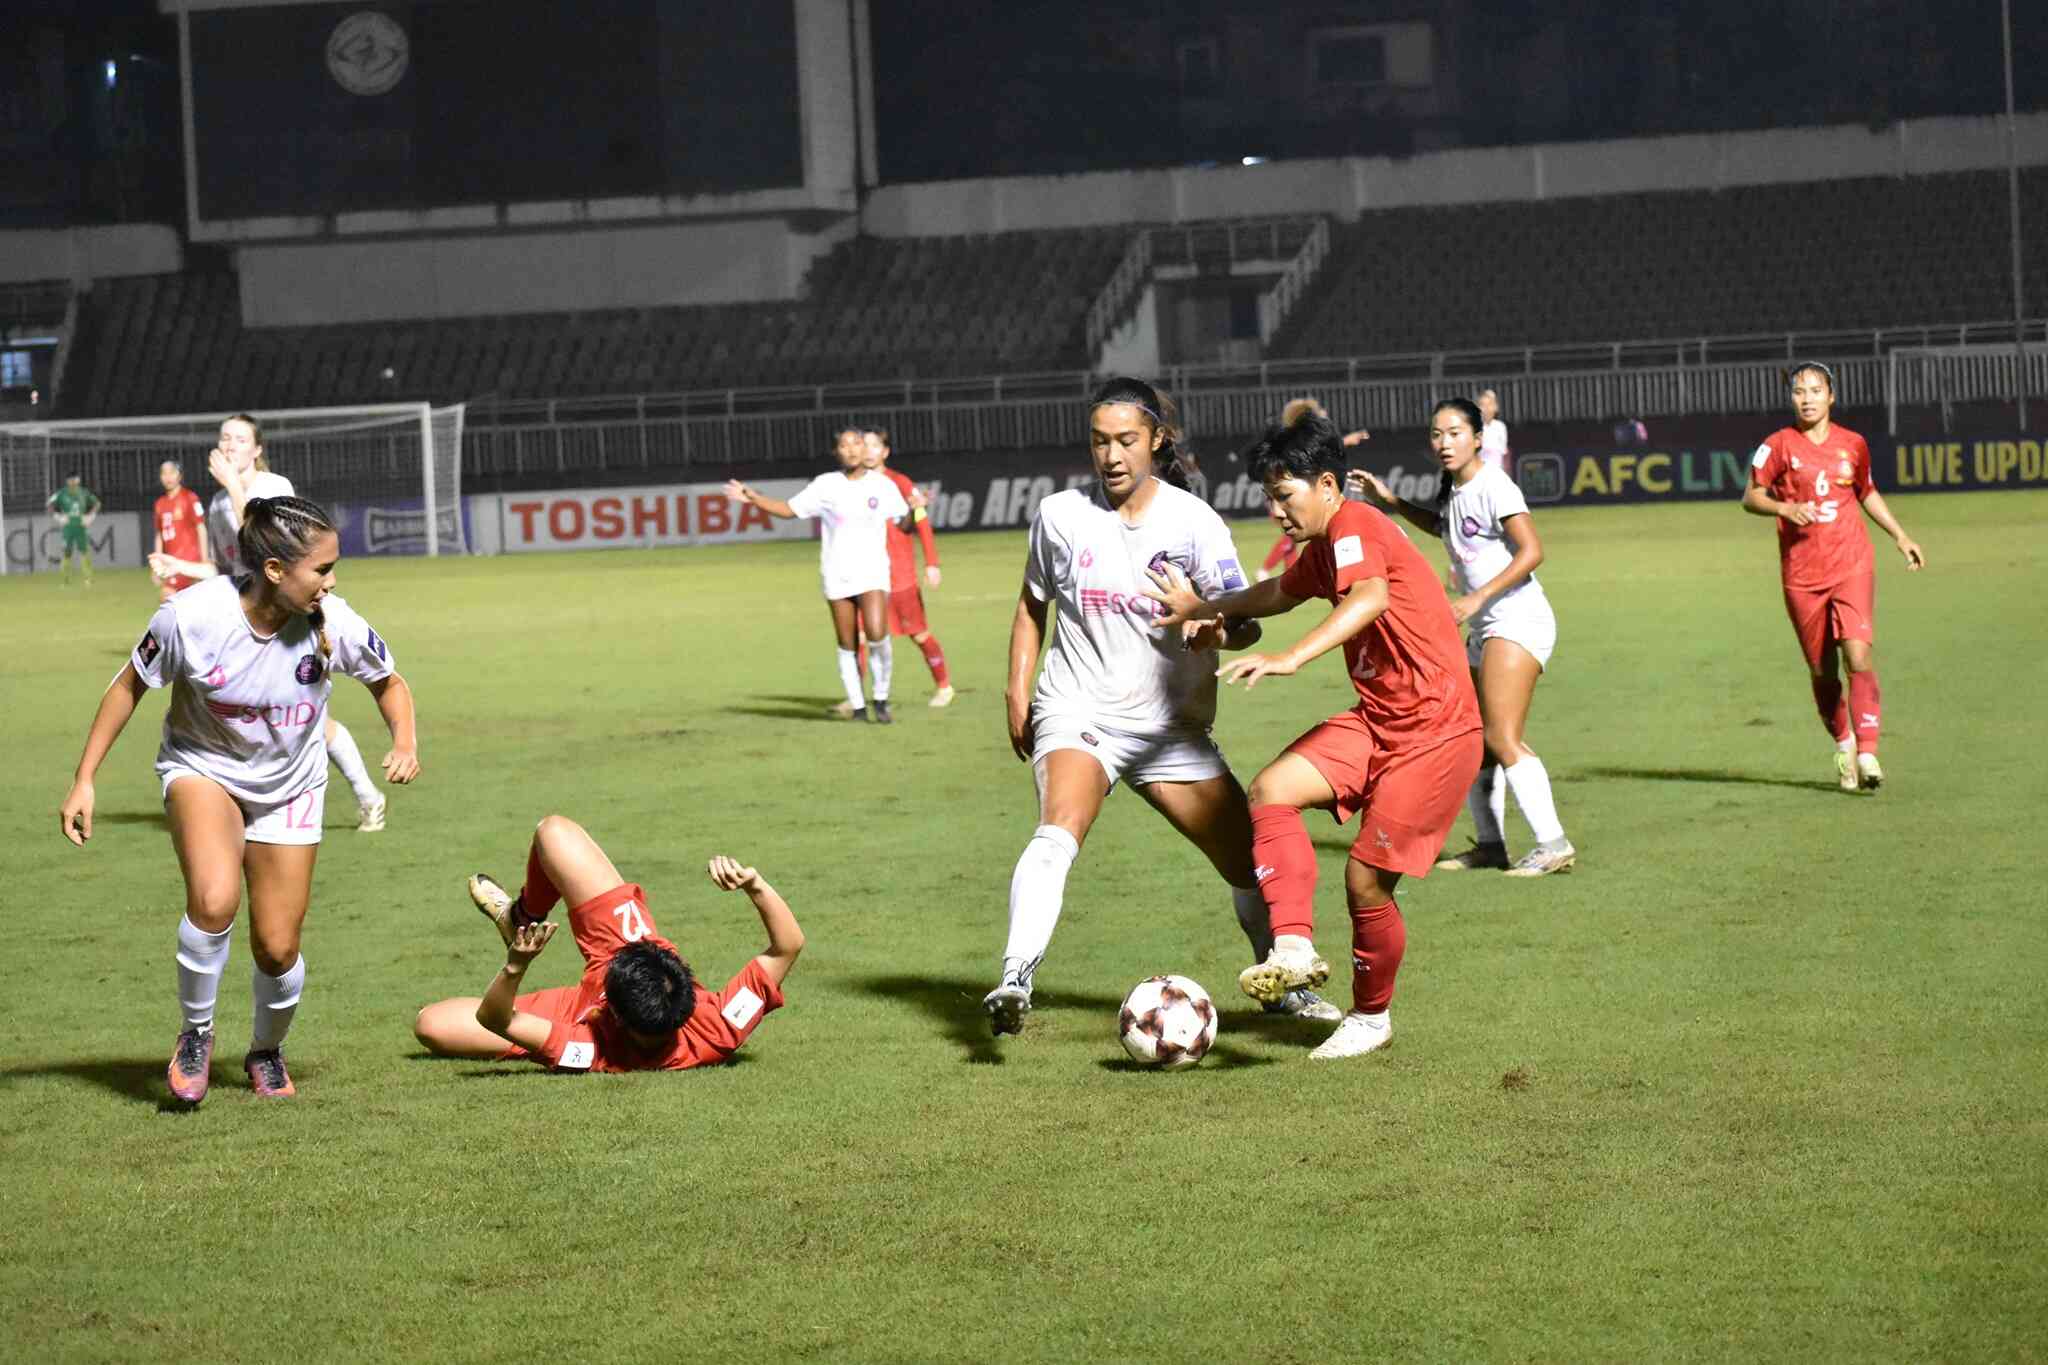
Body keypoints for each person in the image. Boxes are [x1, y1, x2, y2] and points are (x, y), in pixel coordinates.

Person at [987, 375, 1339, 1036]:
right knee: (1060, 824)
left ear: (1155, 441)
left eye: (1126, 440)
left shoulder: (1193, 522)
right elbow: (1033, 605)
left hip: (1171, 727)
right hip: (1078, 710)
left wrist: (1214, 625)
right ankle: (1015, 977)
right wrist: (1016, 688)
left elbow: (1245, 621)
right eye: (1099, 441)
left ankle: (1281, 986)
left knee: (1245, 860)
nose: (1112, 455)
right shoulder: (1060, 515)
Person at [58, 496, 420, 1105]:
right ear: (275, 570)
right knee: (215, 898)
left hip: (292, 787)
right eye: (322, 570)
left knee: (278, 947)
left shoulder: (333, 622)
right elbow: (128, 687)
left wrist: (404, 740)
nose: (332, 582)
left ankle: (265, 1051)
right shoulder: (191, 618)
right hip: (204, 770)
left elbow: (390, 682)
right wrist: (85, 778)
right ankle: (195, 1035)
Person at [1145, 407, 1483, 1060]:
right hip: (1382, 721)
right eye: (1269, 496)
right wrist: (1203, 607)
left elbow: (1371, 598)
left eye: (1283, 494)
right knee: (1271, 789)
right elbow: (1276, 590)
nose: (1276, 509)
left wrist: (1292, 657)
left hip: (1438, 732)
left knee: (1365, 881)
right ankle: (1293, 946)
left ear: (1327, 484)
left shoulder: (1354, 522)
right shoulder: (1325, 545)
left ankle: (1371, 1016)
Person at [1350, 399, 1574, 875]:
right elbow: (1446, 528)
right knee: (1472, 736)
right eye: (1437, 434)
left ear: (1478, 438)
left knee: (1501, 735)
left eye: (1454, 433)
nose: (1444, 442)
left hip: (1517, 619)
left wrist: (1477, 599)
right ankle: (1490, 846)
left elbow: (1533, 551)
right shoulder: (1455, 487)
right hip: (1489, 626)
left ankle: (1553, 843)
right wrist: (1391, 504)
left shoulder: (1495, 483)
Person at [410, 816, 802, 1072]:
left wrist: (516, 965)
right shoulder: (719, 1027)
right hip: (629, 945)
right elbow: (787, 946)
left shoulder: (588, 1047)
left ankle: (518, 924)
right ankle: (522, 917)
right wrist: (755, 884)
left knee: (431, 1024)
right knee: (554, 834)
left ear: (610, 1010)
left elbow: (496, 1020)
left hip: (573, 1011)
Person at [151, 414, 391, 831]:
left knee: (306, 719)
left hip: (293, 620)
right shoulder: (219, 503)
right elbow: (227, 570)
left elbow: (272, 543)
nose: (230, 445)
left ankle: (366, 796)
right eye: (225, 437)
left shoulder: (272, 487)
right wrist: (178, 564)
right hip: (247, 625)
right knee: (287, 721)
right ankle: (356, 797)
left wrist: (231, 483)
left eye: (240, 439)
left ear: (257, 449)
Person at [1742, 361, 1924, 791]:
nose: (1806, 398)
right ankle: (1843, 744)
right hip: (1802, 574)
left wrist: (1900, 535)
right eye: (1799, 391)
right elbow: (1751, 496)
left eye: (1815, 390)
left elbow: (1867, 492)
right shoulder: (1776, 445)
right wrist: (1784, 508)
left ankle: (1868, 752)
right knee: (1823, 671)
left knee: (1857, 656)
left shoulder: (1854, 444)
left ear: (1831, 396)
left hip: (1852, 563)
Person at [725, 429, 914, 723]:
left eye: (856, 443)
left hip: (873, 572)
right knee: (847, 642)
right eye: (844, 445)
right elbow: (789, 510)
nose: (851, 449)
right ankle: (858, 706)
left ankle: (880, 697)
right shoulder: (826, 485)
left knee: (877, 634)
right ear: (836, 452)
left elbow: (904, 523)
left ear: (865, 449)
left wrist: (914, 510)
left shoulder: (883, 485)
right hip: (837, 574)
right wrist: (753, 497)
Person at [864, 427, 954, 708]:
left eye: (874, 445)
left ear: (885, 451)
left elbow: (920, 519)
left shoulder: (899, 482)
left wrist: (931, 563)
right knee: (860, 636)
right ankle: (855, 699)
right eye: (863, 445)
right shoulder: (854, 484)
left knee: (918, 633)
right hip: (866, 574)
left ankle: (944, 686)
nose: (867, 451)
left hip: (899, 574)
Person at [1258, 399, 1369, 580]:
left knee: (1293, 538)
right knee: (1291, 536)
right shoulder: (1294, 446)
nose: (1323, 413)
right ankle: (1268, 570)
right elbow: (1313, 450)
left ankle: (1290, 575)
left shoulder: (1288, 441)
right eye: (1318, 413)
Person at [149, 460, 208, 602]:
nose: (168, 477)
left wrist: (204, 561)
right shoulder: (160, 504)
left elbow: (201, 528)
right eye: (164, 473)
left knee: (169, 599)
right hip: (172, 563)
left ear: (180, 476)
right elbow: (159, 535)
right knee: (174, 603)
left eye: (172, 473)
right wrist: (157, 563)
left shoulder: (190, 498)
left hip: (191, 560)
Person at [46, 473, 100, 587]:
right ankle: (65, 580)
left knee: (84, 552)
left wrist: (90, 516)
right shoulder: (61, 493)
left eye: (75, 480)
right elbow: (49, 504)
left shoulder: (84, 492)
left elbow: (97, 503)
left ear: (78, 480)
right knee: (66, 553)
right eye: (70, 480)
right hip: (68, 527)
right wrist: (58, 517)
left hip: (81, 526)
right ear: (67, 481)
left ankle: (88, 579)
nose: (73, 482)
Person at [1477, 389, 1510, 472]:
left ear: (1496, 407)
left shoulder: (1501, 427)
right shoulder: (1473, 428)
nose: (1487, 408)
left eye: (1490, 404)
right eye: (1483, 405)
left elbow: (1504, 455)